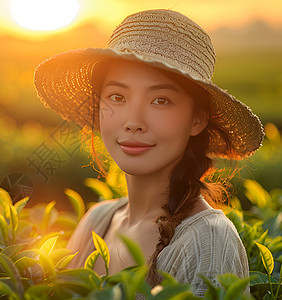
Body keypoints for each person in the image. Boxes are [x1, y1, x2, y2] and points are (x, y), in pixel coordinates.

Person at [33, 9, 264, 296]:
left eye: (160, 100)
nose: (133, 122)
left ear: (197, 120)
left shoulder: (208, 243)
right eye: (117, 97)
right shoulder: (97, 221)